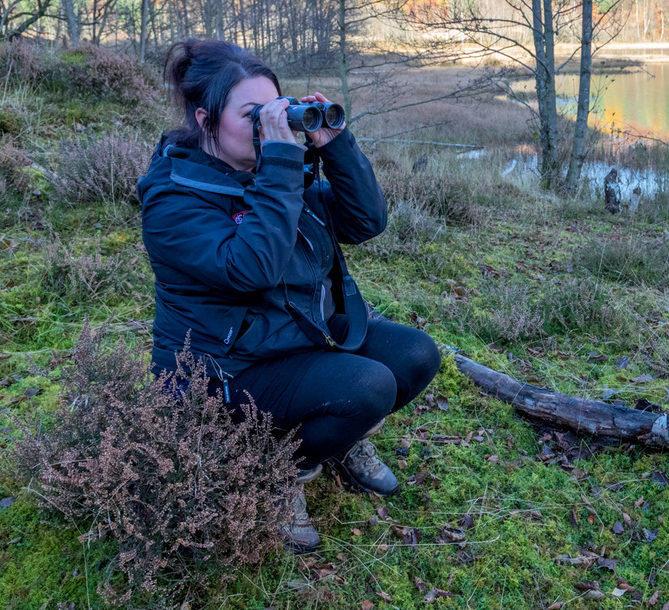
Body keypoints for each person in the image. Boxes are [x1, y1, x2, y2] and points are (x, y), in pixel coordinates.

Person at [137, 39, 441, 553]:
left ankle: (337, 440)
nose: (268, 127)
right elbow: (249, 269)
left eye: (276, 112)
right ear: (206, 119)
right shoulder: (172, 197)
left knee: (416, 356)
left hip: (294, 335)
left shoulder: (275, 174)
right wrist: (279, 162)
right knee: (368, 386)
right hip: (224, 368)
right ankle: (281, 470)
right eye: (252, 115)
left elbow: (365, 223)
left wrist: (334, 146)